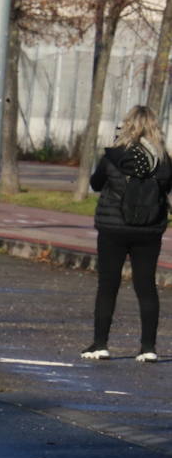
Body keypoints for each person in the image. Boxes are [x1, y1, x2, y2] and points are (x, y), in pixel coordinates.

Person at [83, 105, 172, 363]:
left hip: (113, 228)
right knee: (146, 286)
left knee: (108, 286)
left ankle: (100, 344)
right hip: (149, 230)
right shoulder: (163, 159)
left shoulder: (115, 156)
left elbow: (96, 183)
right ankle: (148, 347)